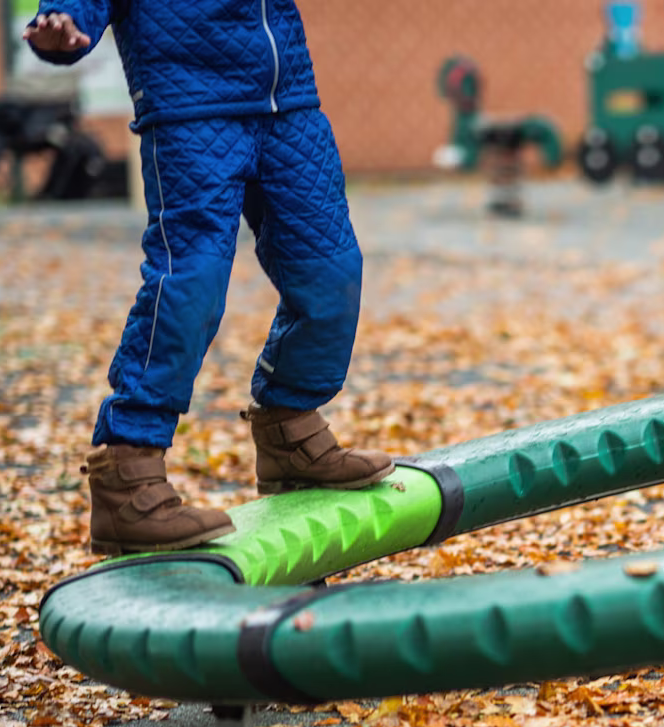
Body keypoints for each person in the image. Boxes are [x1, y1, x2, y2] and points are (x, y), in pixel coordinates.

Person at [24, 3, 393, 557]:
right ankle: (128, 471)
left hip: (287, 99)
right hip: (189, 106)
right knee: (190, 283)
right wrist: (63, 16)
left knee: (331, 271)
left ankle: (289, 427)